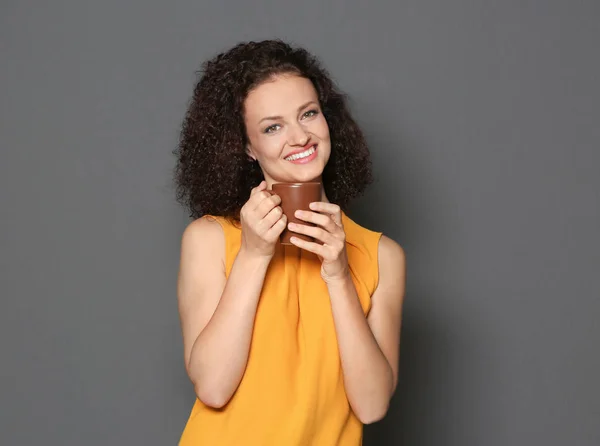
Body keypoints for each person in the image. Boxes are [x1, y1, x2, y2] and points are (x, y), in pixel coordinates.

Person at [173, 39, 406, 445]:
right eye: (272, 126)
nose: (299, 137)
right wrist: (253, 255)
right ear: (247, 146)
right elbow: (212, 387)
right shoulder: (209, 239)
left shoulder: (381, 256)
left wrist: (338, 276)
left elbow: (371, 406)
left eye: (309, 114)